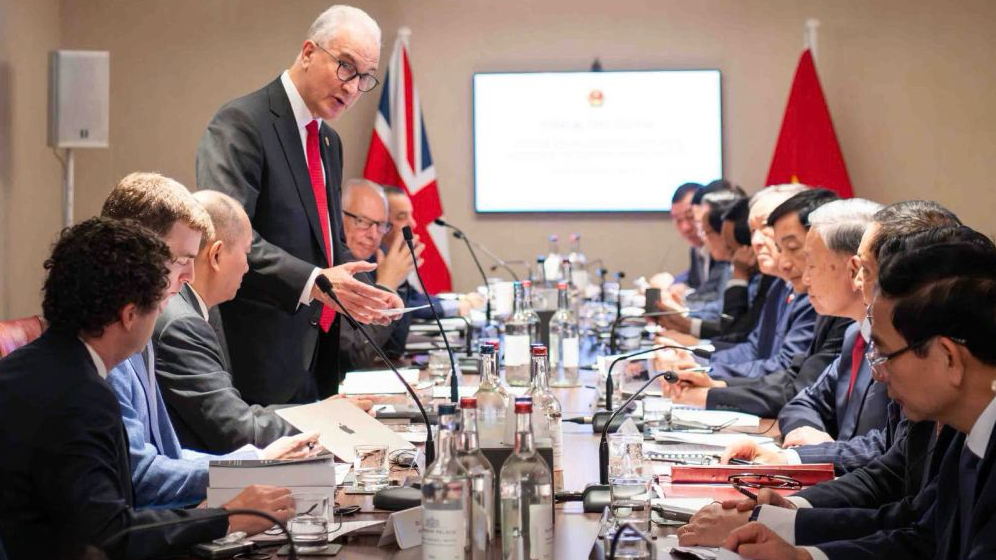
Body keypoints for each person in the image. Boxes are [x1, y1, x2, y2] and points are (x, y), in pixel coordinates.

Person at [675, 201, 964, 550]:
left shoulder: (941, 386)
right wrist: (788, 507)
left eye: (864, 269)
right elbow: (808, 400)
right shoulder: (856, 334)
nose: (857, 282)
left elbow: (916, 524)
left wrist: (790, 531)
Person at [0, 218, 293, 560]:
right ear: (128, 315)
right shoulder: (84, 396)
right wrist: (227, 518)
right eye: (159, 302)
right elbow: (111, 535)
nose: (161, 312)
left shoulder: (22, 366)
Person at [723, 228, 996, 560]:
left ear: (948, 358)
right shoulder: (965, 432)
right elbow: (925, 538)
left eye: (884, 354)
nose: (878, 373)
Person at [197, 5, 402, 404]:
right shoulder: (242, 123)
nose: (352, 87)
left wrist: (369, 294)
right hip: (260, 354)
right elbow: (228, 238)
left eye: (364, 78)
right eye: (345, 66)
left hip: (321, 353)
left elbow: (328, 245)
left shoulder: (328, 141)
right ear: (308, 52)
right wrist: (316, 282)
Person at [102, 173, 318, 508]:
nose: (188, 276)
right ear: (137, 255)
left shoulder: (140, 331)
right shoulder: (108, 347)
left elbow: (168, 455)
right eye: (181, 260)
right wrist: (250, 472)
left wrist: (253, 464)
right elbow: (141, 478)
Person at [719, 199, 892, 474]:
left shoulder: (900, 347)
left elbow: (889, 451)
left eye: (812, 264)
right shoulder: (854, 336)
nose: (804, 276)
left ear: (854, 269)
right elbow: (802, 401)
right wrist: (808, 434)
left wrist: (811, 455)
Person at [153, 191, 300, 453]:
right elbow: (239, 431)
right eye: (246, 253)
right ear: (217, 255)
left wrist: (319, 412)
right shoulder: (182, 323)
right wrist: (327, 419)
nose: (247, 267)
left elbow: (236, 413)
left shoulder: (199, 310)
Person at [658, 186, 819, 382]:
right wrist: (696, 361)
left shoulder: (811, 290)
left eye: (766, 227)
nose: (756, 240)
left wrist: (705, 370)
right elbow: (753, 348)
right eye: (752, 231)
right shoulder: (779, 284)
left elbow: (785, 371)